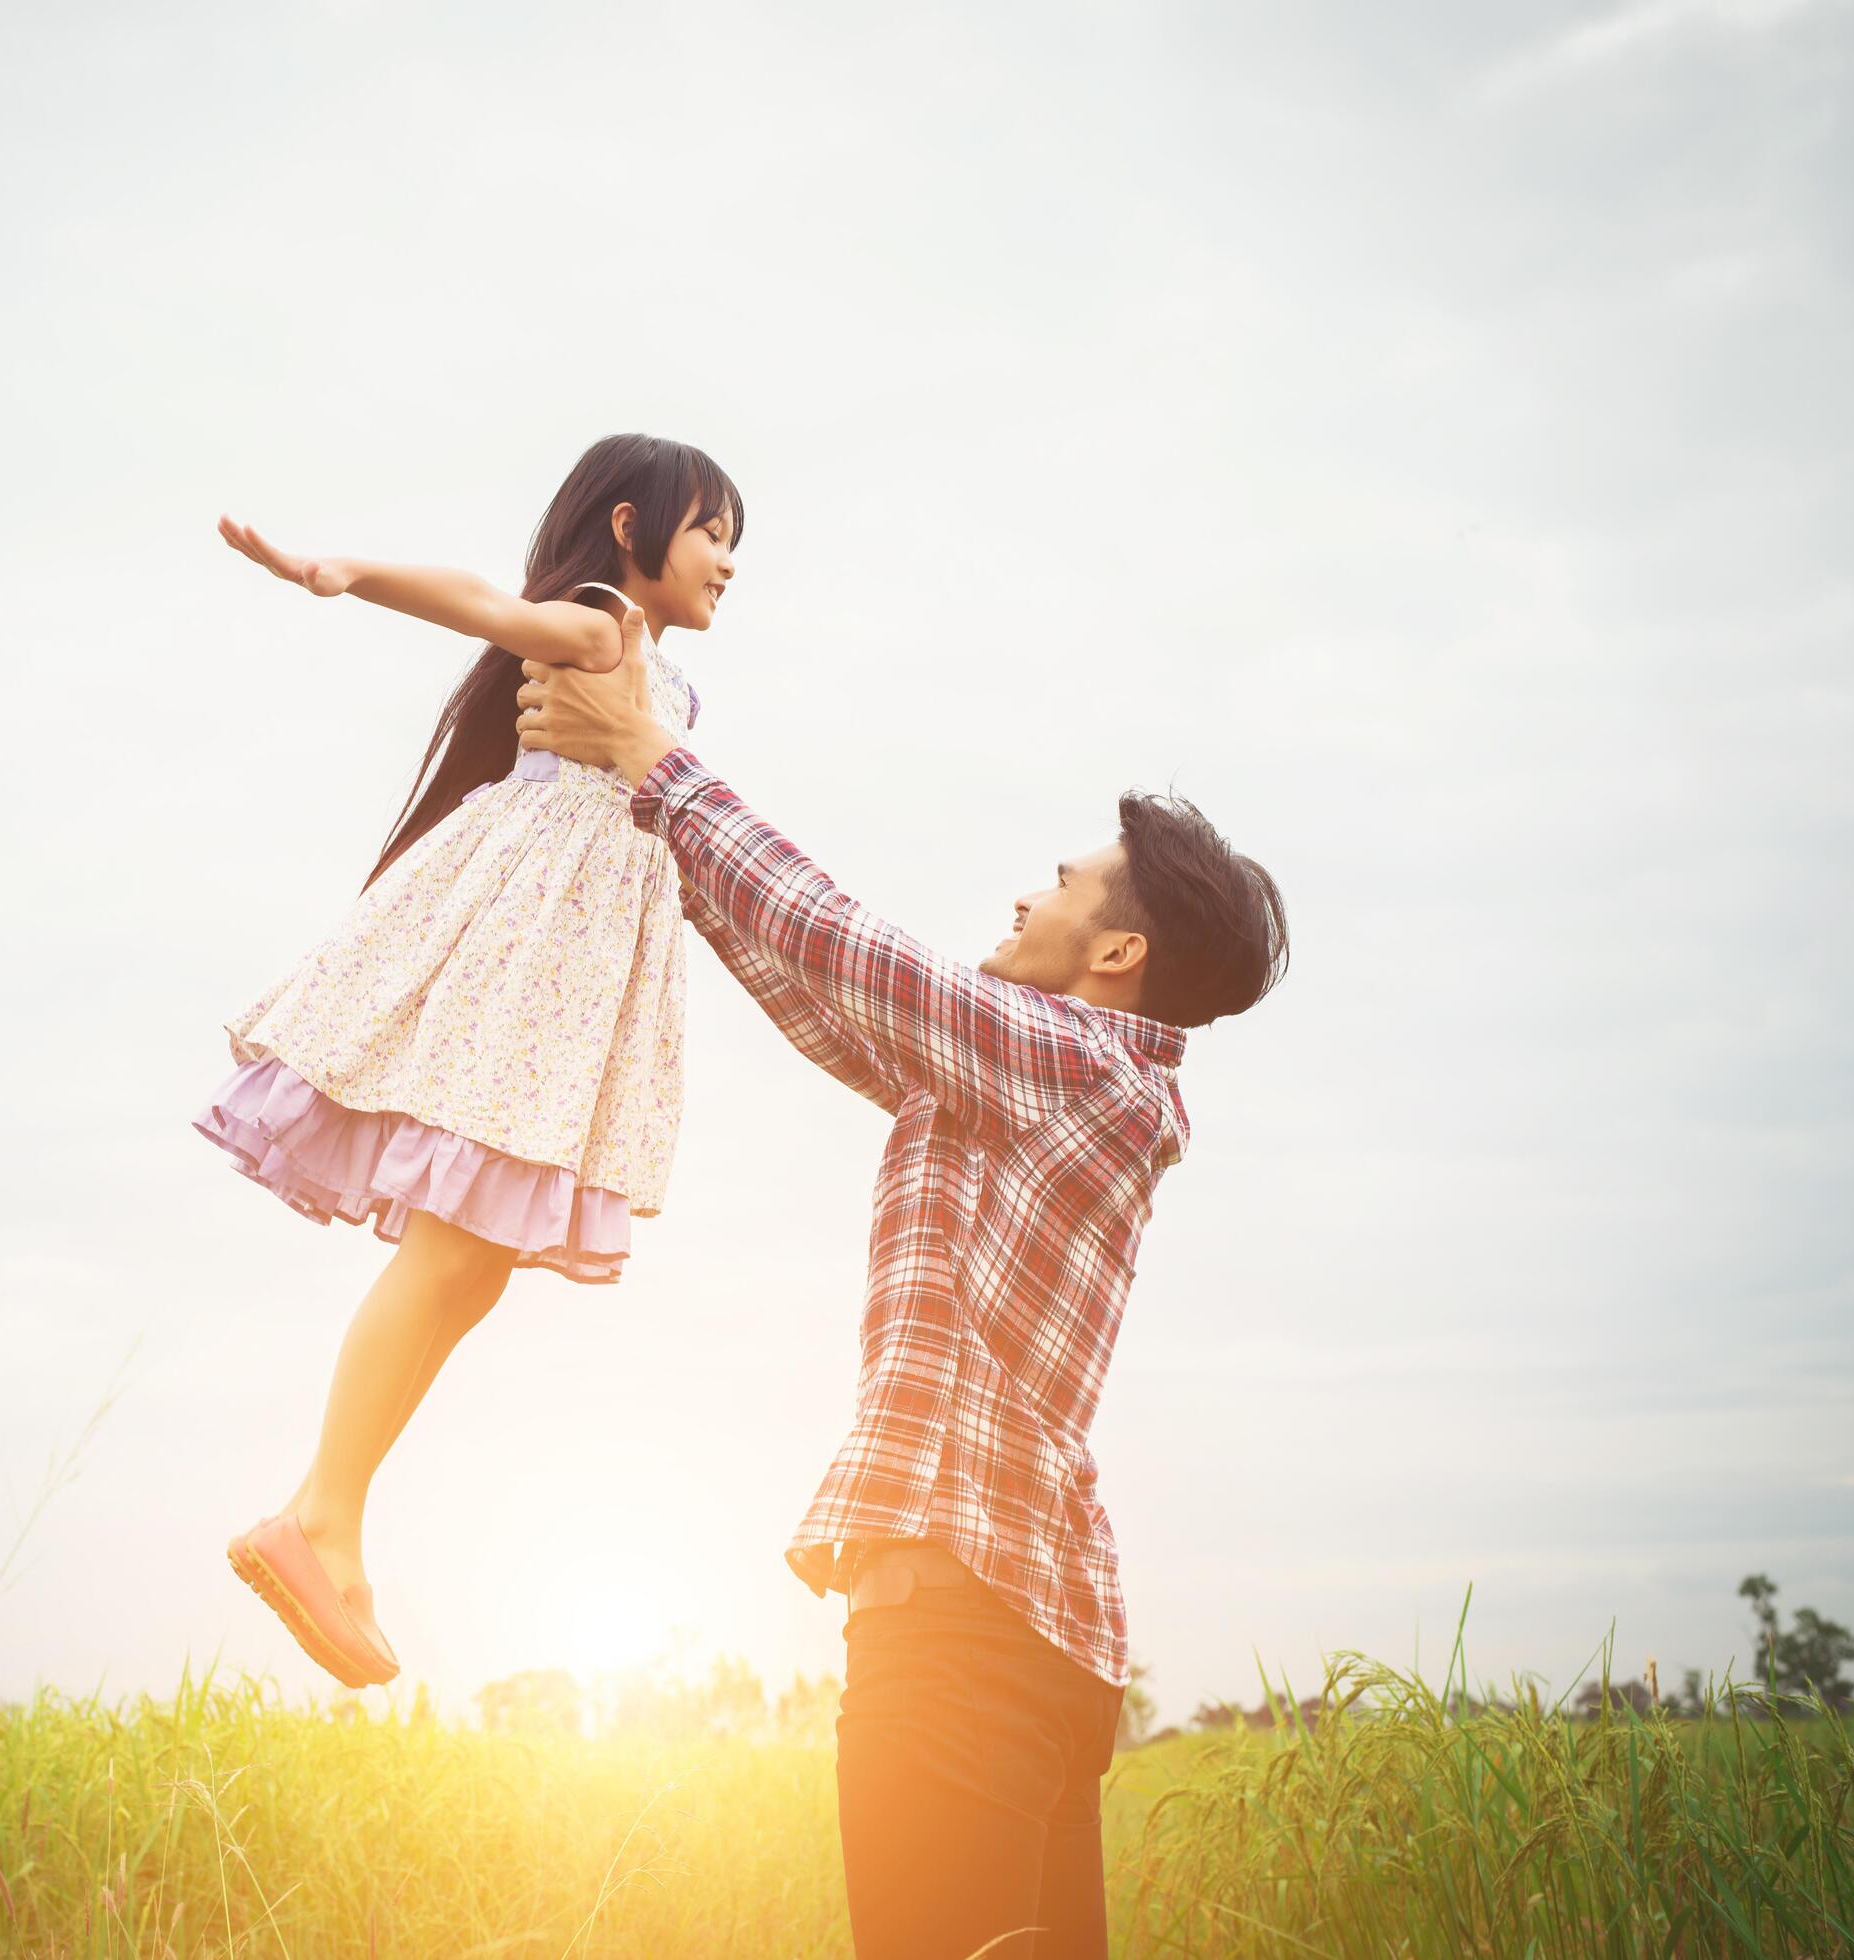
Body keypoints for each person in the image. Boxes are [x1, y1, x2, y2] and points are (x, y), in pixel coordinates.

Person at [514, 627, 1289, 1960]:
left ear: (1114, 956)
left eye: (1058, 886)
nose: (1022, 899)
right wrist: (648, 831)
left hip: (962, 1624)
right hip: (1026, 1630)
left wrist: (656, 760)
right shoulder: (1031, 1080)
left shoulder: (1075, 1067)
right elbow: (820, 990)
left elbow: (847, 942)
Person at [195, 434, 744, 1689]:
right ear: (628, 528)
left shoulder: (654, 680)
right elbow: (490, 607)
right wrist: (340, 572)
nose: (729, 563)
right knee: (457, 1245)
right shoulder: (603, 629)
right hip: (529, 967)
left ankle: (334, 1521)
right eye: (714, 533)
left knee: (474, 1259)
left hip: (562, 982)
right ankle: (322, 1512)